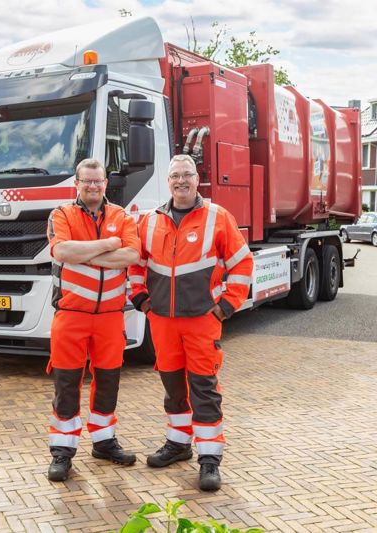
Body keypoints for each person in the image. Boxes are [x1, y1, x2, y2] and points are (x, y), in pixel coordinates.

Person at [128, 154, 254, 491]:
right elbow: (137, 265)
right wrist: (141, 299)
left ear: (197, 179)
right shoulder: (151, 221)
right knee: (173, 389)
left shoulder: (218, 217)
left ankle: (210, 459)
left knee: (204, 391)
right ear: (167, 182)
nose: (181, 181)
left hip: (202, 320)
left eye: (187, 175)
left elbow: (242, 263)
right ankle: (178, 444)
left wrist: (227, 306)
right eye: (175, 176)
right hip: (163, 323)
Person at [45, 158, 141, 482]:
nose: (92, 186)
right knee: (67, 385)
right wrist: (109, 245)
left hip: (111, 317)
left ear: (106, 184)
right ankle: (62, 452)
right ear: (77, 183)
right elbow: (62, 252)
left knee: (108, 383)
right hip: (71, 315)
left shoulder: (121, 216)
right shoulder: (61, 214)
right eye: (86, 181)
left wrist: (86, 252)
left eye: (97, 181)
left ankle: (103, 442)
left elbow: (132, 255)